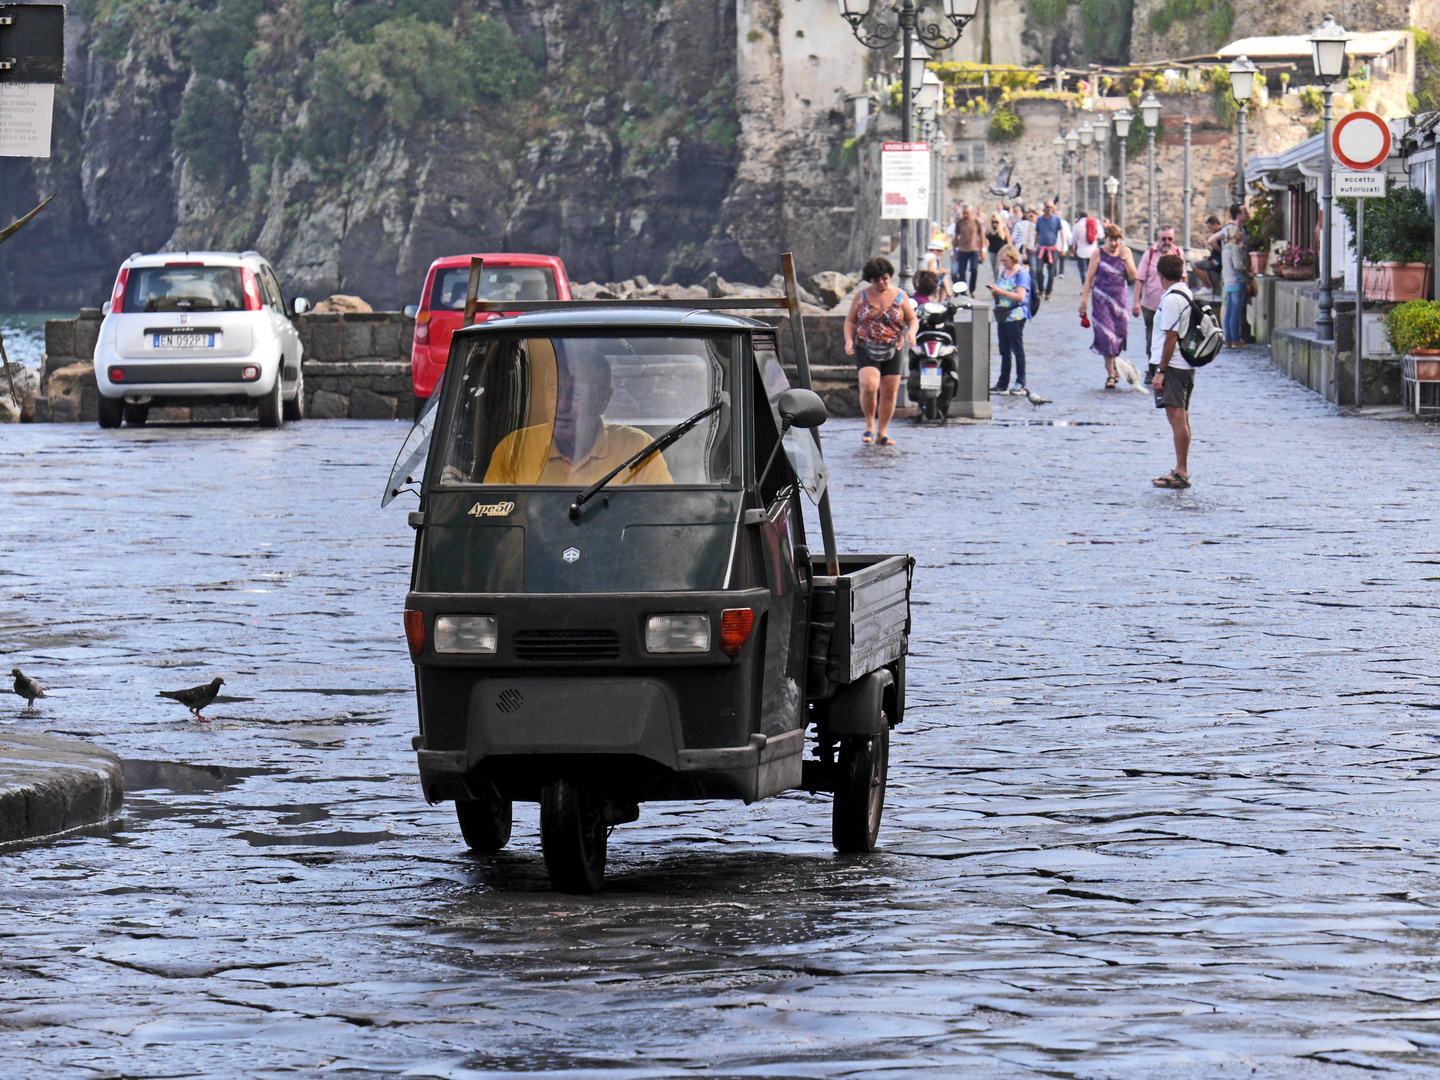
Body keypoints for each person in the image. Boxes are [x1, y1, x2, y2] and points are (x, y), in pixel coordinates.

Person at [484, 346, 674, 485]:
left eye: (575, 394)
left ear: (602, 401)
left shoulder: (638, 449)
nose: (562, 406)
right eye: (555, 391)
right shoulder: (514, 449)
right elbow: (494, 528)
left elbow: (660, 520)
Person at [844, 255, 917, 447]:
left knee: (890, 392)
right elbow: (850, 320)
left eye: (885, 278)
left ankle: (882, 432)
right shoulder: (862, 295)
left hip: (893, 347)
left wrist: (912, 334)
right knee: (869, 386)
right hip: (866, 345)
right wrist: (848, 340)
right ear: (870, 280)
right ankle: (869, 424)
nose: (881, 283)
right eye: (876, 280)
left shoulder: (900, 295)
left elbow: (912, 319)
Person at [1151, 252, 1196, 489]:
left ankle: (1181, 471)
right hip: (1185, 365)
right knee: (1182, 417)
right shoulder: (1185, 293)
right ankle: (1181, 469)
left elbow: (1171, 337)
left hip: (1175, 366)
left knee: (1177, 418)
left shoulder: (1170, 300)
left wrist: (1161, 370)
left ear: (1160, 275)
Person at [1079, 222, 1138, 389]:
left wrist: (1125, 258)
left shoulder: (1126, 252)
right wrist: (1083, 301)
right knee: (1106, 338)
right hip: (1101, 301)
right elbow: (1089, 279)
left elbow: (1133, 276)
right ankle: (1111, 375)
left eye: (1117, 239)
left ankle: (1115, 366)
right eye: (1111, 240)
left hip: (1119, 301)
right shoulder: (1098, 254)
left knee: (1119, 336)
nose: (1114, 243)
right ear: (1106, 239)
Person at [1132, 226, 1184, 384]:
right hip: (1152, 303)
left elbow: (1184, 278)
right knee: (1152, 338)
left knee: (1172, 336)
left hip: (1173, 304)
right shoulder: (1149, 254)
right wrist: (1136, 302)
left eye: (1170, 239)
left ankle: (1169, 368)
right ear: (1157, 239)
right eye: (1164, 239)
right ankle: (1152, 368)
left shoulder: (1178, 254)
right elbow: (1140, 279)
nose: (1167, 242)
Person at [987, 244, 1032, 395]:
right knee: (1004, 350)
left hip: (1016, 315)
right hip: (1003, 315)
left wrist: (1000, 291)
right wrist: (995, 292)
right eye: (1001, 261)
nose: (1003, 264)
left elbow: (1020, 296)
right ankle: (1002, 382)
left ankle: (1020, 381)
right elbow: (1001, 292)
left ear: (1013, 258)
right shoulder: (1004, 273)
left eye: (1005, 260)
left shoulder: (1021, 274)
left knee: (1017, 349)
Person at [1221, 220, 1247, 347]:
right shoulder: (1235, 248)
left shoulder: (1225, 248)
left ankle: (1228, 340)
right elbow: (1238, 265)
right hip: (1237, 282)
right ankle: (1236, 340)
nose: (1240, 233)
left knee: (1229, 312)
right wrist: (1247, 272)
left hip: (1228, 283)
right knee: (1236, 312)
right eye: (1238, 231)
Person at [951, 204, 983, 295]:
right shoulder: (960, 222)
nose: (965, 215)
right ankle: (963, 291)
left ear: (971, 213)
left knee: (974, 269)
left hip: (974, 249)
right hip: (962, 250)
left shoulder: (976, 222)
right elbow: (956, 236)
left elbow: (981, 235)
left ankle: (972, 289)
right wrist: (954, 252)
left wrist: (982, 251)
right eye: (964, 213)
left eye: (967, 213)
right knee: (962, 272)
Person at [1034, 202, 1064, 299]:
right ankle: (1041, 289)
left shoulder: (1056, 219)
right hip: (1041, 248)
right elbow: (1037, 233)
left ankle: (1048, 292)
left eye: (1051, 207)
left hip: (1052, 249)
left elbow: (1062, 233)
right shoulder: (1040, 220)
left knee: (1051, 272)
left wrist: (1062, 247)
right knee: (1038, 270)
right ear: (1044, 208)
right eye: (1047, 207)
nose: (1049, 209)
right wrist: (1035, 246)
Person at [1193, 214, 1224, 291]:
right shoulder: (1219, 234)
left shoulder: (1220, 235)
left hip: (1218, 262)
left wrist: (1207, 245)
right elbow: (1215, 251)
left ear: (1216, 225)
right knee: (1205, 260)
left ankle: (1208, 287)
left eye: (1210, 227)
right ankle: (1208, 286)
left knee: (1194, 265)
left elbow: (1221, 251)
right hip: (1216, 259)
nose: (1209, 230)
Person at [1073, 209, 1100, 277]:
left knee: (1083, 271)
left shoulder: (1077, 225)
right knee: (1091, 270)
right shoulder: (1095, 223)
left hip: (1081, 252)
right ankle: (1091, 284)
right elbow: (1101, 235)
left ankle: (1085, 285)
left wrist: (1072, 249)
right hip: (1093, 251)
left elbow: (1073, 240)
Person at [985, 212, 1010, 282]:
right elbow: (984, 237)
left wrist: (1009, 252)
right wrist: (986, 242)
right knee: (993, 269)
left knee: (998, 268)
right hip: (992, 251)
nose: (994, 224)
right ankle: (996, 283)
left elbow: (1009, 241)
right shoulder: (989, 229)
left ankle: (999, 285)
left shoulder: (1004, 229)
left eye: (996, 222)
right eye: (993, 222)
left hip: (1001, 251)